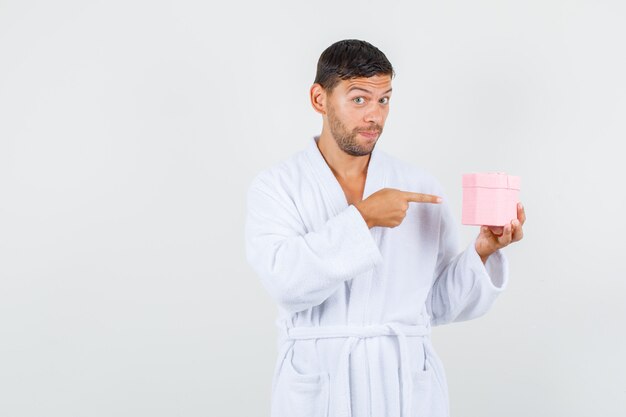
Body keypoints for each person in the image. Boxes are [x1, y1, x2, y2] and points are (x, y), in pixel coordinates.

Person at [244, 39, 525, 417]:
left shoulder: (418, 186)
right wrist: (364, 219)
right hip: (320, 385)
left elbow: (436, 304)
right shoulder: (277, 186)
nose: (375, 115)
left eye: (384, 100)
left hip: (404, 386)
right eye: (359, 99)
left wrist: (483, 250)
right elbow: (285, 283)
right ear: (319, 99)